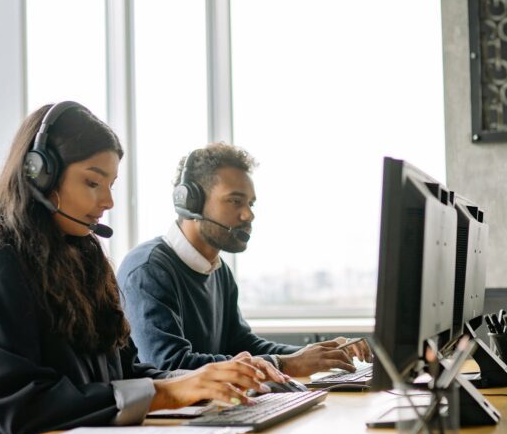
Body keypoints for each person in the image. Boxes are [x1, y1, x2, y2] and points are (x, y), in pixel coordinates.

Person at [0, 104, 283, 434]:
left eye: (111, 184)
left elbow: (126, 370)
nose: (108, 200)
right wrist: (167, 393)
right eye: (92, 181)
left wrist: (200, 380)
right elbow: (23, 408)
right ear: (38, 173)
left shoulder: (83, 256)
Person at [118, 143, 371, 376]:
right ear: (190, 201)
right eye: (235, 201)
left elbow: (243, 344)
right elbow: (170, 366)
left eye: (250, 203)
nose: (248, 214)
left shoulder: (219, 271)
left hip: (210, 413)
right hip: (168, 424)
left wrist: (316, 355)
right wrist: (287, 364)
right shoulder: (148, 270)